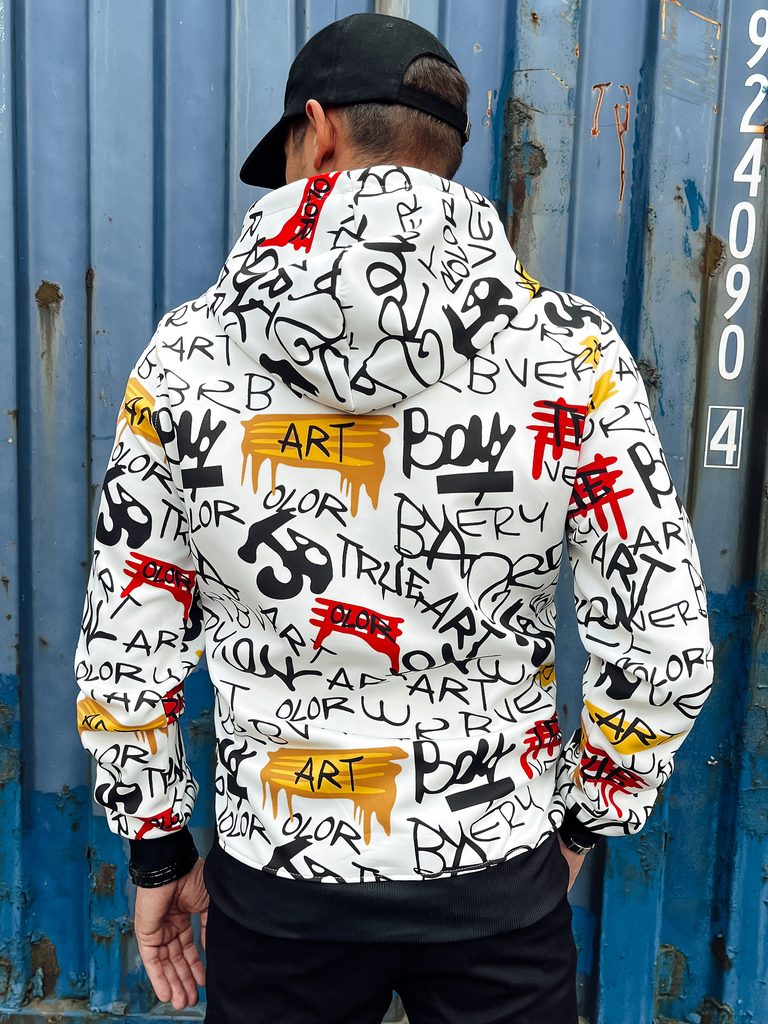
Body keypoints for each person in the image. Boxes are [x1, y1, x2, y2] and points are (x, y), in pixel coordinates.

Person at [74, 13, 713, 1024]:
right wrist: (588, 819)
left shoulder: (187, 357)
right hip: (497, 875)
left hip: (279, 881)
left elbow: (128, 632)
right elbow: (662, 640)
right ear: (446, 154)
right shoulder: (574, 354)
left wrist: (156, 846)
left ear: (319, 131)